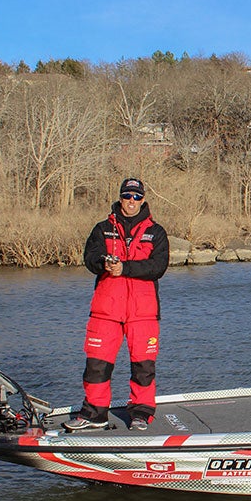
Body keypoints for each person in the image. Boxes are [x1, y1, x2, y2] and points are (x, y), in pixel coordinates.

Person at [63, 178, 170, 431]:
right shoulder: (102, 229)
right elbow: (90, 259)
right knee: (96, 366)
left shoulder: (156, 232)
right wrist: (105, 264)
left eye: (136, 197)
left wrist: (125, 268)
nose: (131, 201)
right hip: (106, 312)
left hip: (143, 313)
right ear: (120, 198)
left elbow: (158, 267)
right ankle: (94, 414)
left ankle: (141, 412)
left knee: (143, 367)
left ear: (142, 200)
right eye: (126, 196)